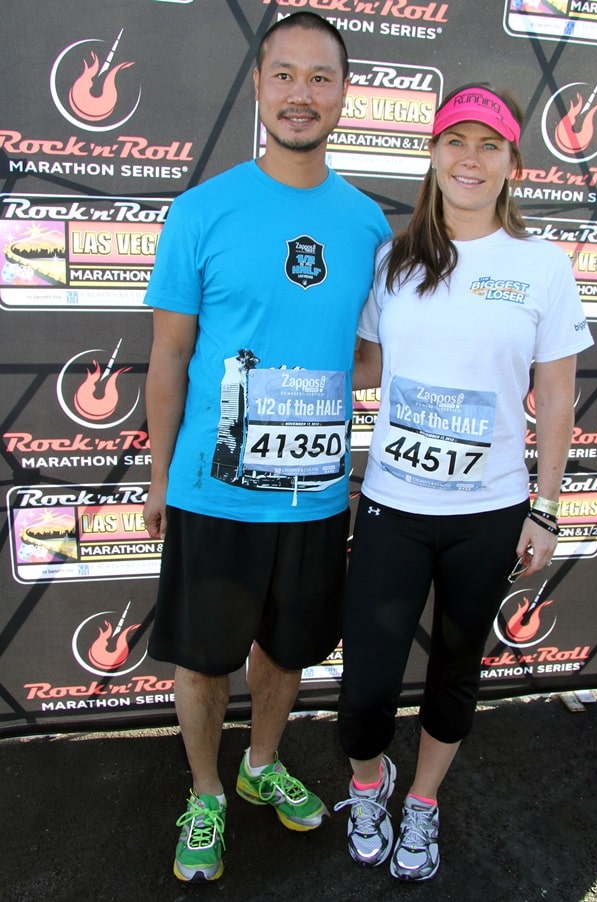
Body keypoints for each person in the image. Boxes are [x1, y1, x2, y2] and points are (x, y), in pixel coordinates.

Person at [142, 12, 391, 883]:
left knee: (286, 653)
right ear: (257, 85)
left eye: (320, 78)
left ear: (343, 94)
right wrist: (157, 474)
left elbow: (369, 353)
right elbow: (170, 354)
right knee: (206, 659)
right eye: (284, 75)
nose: (301, 94)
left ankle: (260, 767)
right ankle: (206, 789)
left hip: (316, 496)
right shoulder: (202, 211)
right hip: (216, 493)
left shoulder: (368, 226)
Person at [334, 83, 594, 882]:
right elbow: (368, 364)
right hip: (393, 507)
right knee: (368, 683)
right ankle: (369, 784)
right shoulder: (394, 256)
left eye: (489, 145)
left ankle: (423, 804)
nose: (470, 159)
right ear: (433, 154)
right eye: (456, 141)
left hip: (491, 513)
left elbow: (554, 396)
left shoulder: (542, 265)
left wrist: (546, 509)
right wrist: (277, 361)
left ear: (514, 163)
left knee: (455, 672)